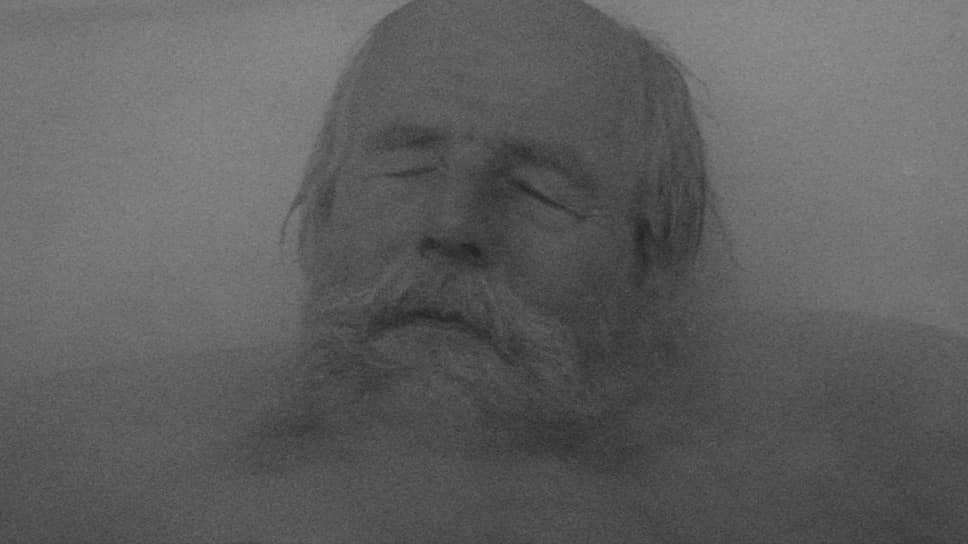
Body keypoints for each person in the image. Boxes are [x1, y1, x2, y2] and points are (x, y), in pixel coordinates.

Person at [3, 0, 966, 542]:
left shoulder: (874, 457)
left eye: (540, 188)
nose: (453, 225)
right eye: (406, 165)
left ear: (659, 266)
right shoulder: (79, 459)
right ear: (319, 214)